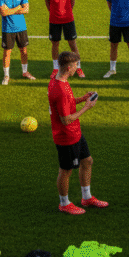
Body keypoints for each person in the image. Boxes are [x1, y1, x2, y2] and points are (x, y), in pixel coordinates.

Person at [48, 51, 108, 215]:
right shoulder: (60, 90)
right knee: (66, 171)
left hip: (75, 133)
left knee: (87, 161)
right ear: (69, 67)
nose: (77, 68)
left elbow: (66, 104)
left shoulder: (58, 80)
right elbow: (66, 119)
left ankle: (86, 198)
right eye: (75, 66)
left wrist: (81, 98)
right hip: (66, 137)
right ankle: (64, 203)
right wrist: (86, 107)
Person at [43, 0, 83, 78]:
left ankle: (79, 67)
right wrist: (52, 12)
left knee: (72, 44)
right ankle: (55, 68)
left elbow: (72, 0)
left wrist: (67, 11)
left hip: (68, 19)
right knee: (55, 44)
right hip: (54, 20)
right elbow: (47, 1)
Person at [0, 0, 36, 86]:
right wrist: (18, 7)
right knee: (7, 52)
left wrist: (9, 10)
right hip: (8, 28)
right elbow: (3, 13)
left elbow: (27, 9)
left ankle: (25, 72)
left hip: (21, 27)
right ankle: (6, 75)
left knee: (23, 50)